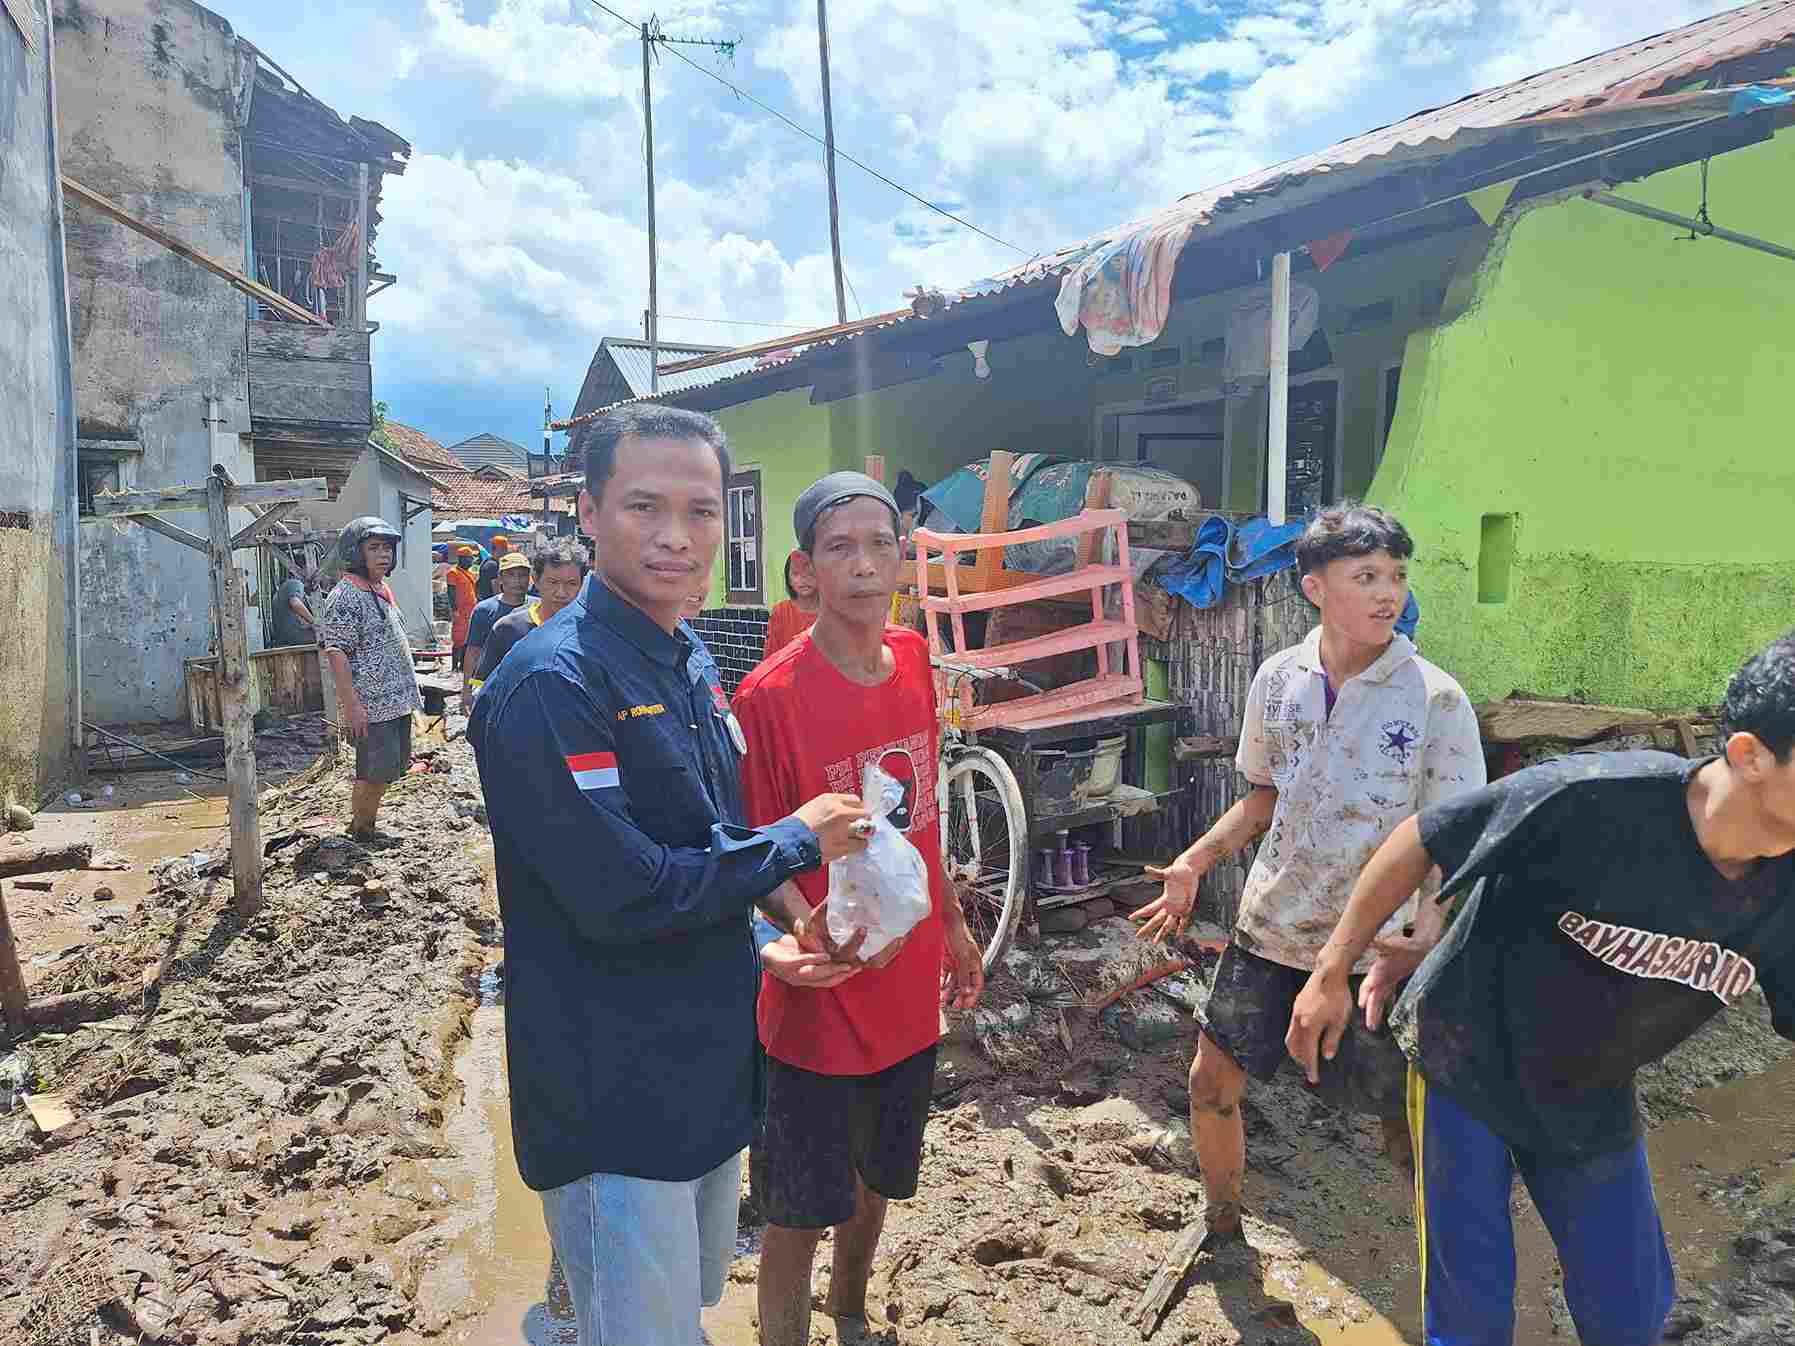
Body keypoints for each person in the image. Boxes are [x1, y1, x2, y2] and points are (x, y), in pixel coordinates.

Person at [468, 405, 874, 1346]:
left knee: (670, 1309)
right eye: (643, 506)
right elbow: (625, 893)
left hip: (704, 1063)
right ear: (588, 510)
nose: (675, 537)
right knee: (639, 1331)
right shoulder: (551, 686)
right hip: (612, 1087)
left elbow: (712, 830)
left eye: (700, 512)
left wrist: (788, 922)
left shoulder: (684, 654)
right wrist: (797, 843)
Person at [1287, 632, 1795, 1346]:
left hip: (1592, 1088)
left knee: (1629, 1313)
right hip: (1465, 1057)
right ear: (1748, 755)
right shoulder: (1596, 799)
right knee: (1472, 1309)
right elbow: (1424, 835)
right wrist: (1328, 971)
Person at [1130, 502, 1485, 1258]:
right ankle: (1221, 1221)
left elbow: (1453, 841)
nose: (1386, 593)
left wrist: (1425, 935)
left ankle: (1447, 1263)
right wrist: (1195, 861)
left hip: (1378, 954)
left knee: (1404, 1120)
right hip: (1274, 925)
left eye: (1394, 575)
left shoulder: (1435, 699)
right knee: (1210, 1083)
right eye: (1365, 576)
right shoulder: (1278, 679)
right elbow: (1265, 795)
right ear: (1315, 586)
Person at [734, 472, 987, 1346]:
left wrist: (950, 923)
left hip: (906, 986)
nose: (865, 565)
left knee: (878, 1182)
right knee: (799, 1207)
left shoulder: (916, 659)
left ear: (903, 559)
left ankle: (851, 1317)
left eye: (881, 543)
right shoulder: (769, 697)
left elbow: (922, 822)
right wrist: (811, 929)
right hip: (820, 988)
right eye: (839, 547)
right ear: (805, 571)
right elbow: (758, 855)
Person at [319, 517, 422, 840]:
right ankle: (361, 830)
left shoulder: (380, 590)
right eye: (374, 548)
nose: (383, 555)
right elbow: (336, 652)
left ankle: (367, 824)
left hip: (395, 702)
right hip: (372, 704)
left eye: (387, 548)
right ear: (355, 552)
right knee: (372, 772)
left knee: (388, 769)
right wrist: (352, 708)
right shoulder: (345, 595)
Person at [471, 539, 588, 691]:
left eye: (571, 583)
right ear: (536, 581)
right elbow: (483, 690)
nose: (561, 593)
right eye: (552, 582)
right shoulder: (508, 629)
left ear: (582, 584)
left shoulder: (589, 631)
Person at [461, 551, 531, 711]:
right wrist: (466, 690)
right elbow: (473, 652)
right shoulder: (484, 610)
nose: (517, 580)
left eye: (522, 575)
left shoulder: (539, 607)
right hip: (492, 686)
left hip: (527, 686)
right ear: (500, 578)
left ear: (530, 578)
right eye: (511, 575)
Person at [763, 551, 819, 659]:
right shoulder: (780, 612)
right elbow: (770, 660)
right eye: (796, 573)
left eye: (810, 573)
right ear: (789, 579)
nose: (803, 579)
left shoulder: (833, 613)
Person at [446, 546, 478, 670]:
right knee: (458, 640)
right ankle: (454, 667)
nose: (471, 561)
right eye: (469, 559)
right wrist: (454, 610)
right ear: (462, 559)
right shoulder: (453, 573)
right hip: (460, 613)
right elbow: (451, 592)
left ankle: (463, 667)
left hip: (470, 612)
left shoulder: (468, 573)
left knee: (467, 640)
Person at [269, 570, 317, 648]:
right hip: (293, 639)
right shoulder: (294, 583)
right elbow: (295, 603)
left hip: (288, 639)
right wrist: (315, 622)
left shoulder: (287, 587)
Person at [477, 533, 510, 602]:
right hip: (490, 602)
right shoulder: (492, 565)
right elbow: (496, 589)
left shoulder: (488, 561)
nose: (506, 551)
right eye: (504, 548)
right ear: (496, 549)